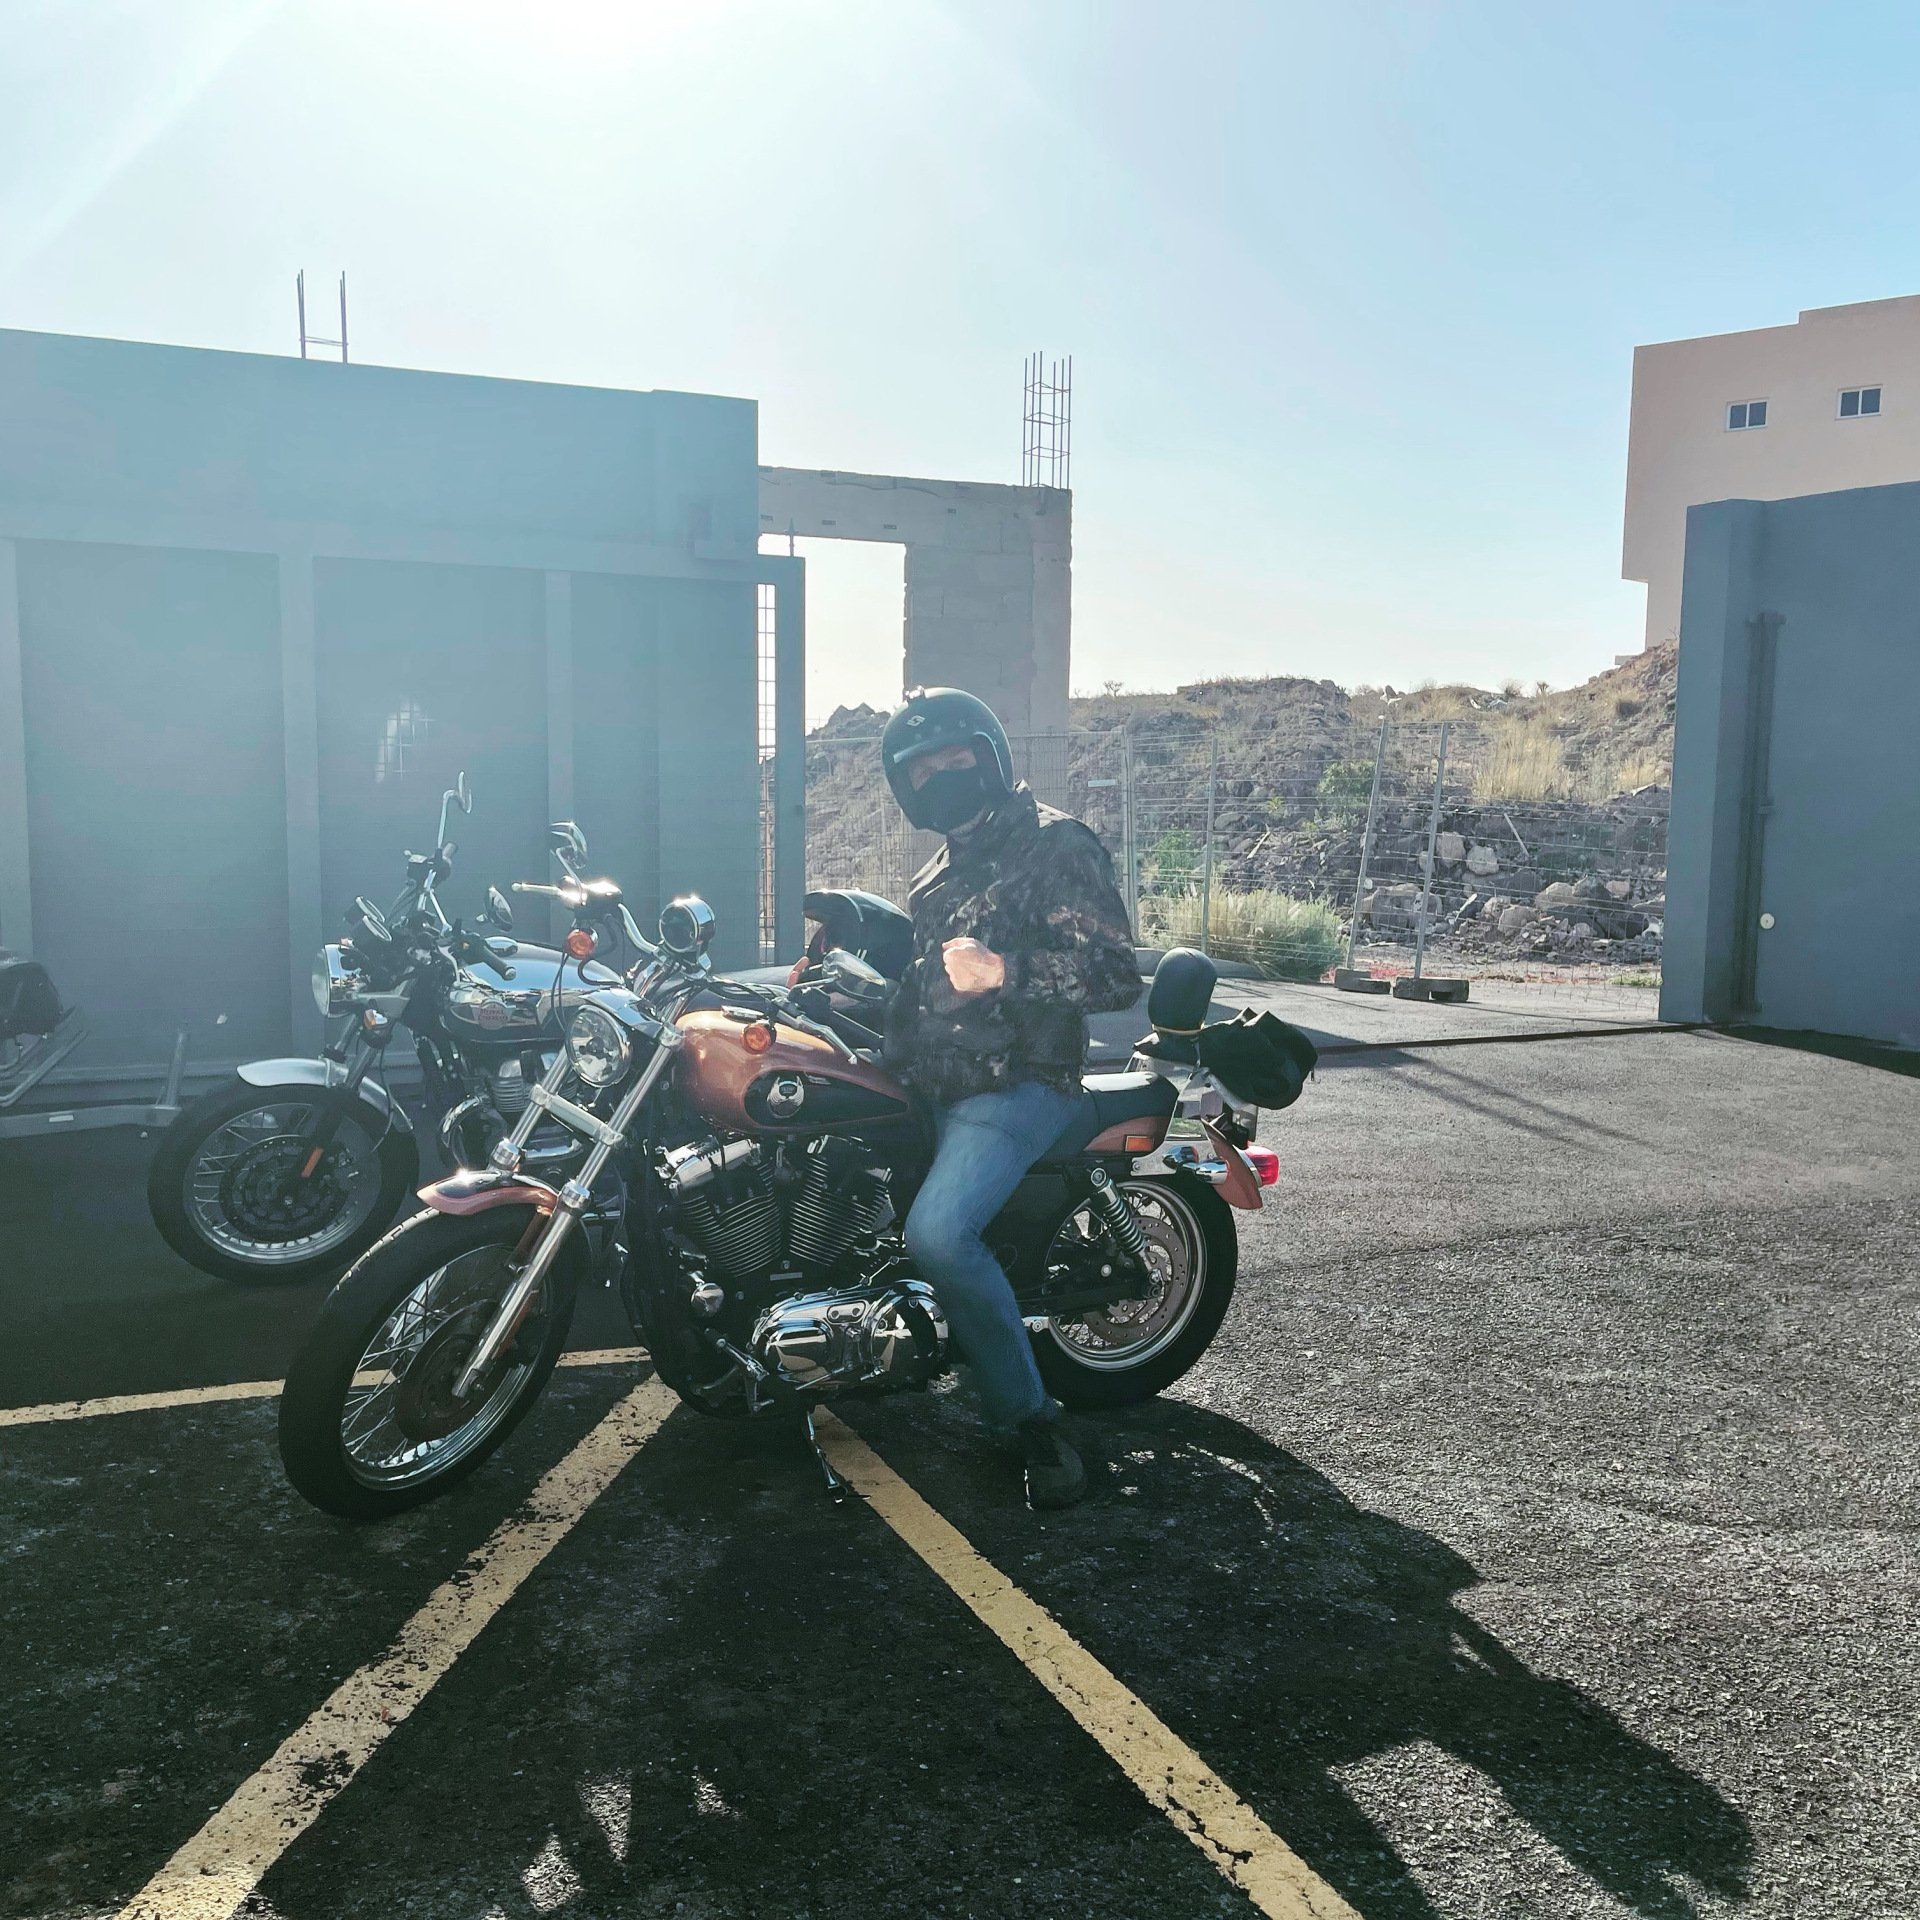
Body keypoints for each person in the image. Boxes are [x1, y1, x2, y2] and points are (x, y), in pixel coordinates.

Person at [879, 687, 1142, 1510]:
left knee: (939, 1233)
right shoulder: (934, 875)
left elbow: (1115, 975)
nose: (941, 776)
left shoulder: (1054, 843)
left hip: (1022, 1082)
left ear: (989, 757)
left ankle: (1031, 1420)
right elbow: (926, 985)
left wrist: (1006, 972)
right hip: (935, 1079)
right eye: (922, 770)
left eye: (954, 758)